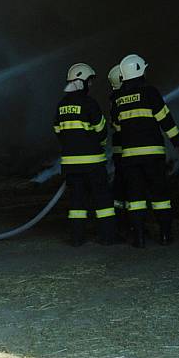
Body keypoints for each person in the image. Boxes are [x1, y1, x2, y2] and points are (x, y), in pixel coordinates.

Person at [112, 53, 179, 248]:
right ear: (140, 71)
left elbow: (117, 128)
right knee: (160, 196)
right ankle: (165, 235)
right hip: (153, 155)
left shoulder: (118, 99)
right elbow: (166, 120)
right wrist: (178, 144)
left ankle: (139, 238)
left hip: (130, 157)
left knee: (135, 198)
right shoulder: (151, 92)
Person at [54, 63, 117, 246]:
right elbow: (101, 131)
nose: (91, 84)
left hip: (70, 164)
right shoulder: (89, 103)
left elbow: (58, 131)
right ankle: (108, 237)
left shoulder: (61, 105)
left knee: (76, 203)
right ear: (83, 81)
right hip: (93, 163)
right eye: (90, 81)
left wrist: (72, 145)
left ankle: (76, 238)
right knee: (103, 201)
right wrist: (99, 144)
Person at [107, 64, 129, 237]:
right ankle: (128, 224)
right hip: (128, 151)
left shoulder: (115, 98)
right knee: (131, 187)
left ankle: (121, 222)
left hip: (119, 151)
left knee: (120, 186)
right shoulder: (122, 98)